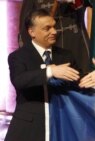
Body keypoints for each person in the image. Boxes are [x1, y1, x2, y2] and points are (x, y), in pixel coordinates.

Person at [5, 9, 80, 141]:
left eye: (54, 27)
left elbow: (77, 82)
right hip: (29, 127)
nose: (54, 31)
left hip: (61, 124)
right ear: (31, 32)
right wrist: (50, 71)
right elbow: (19, 80)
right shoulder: (18, 56)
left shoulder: (66, 55)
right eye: (47, 28)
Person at [19, 0, 91, 74]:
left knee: (81, 77)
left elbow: (92, 4)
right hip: (49, 47)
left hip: (75, 42)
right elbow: (26, 30)